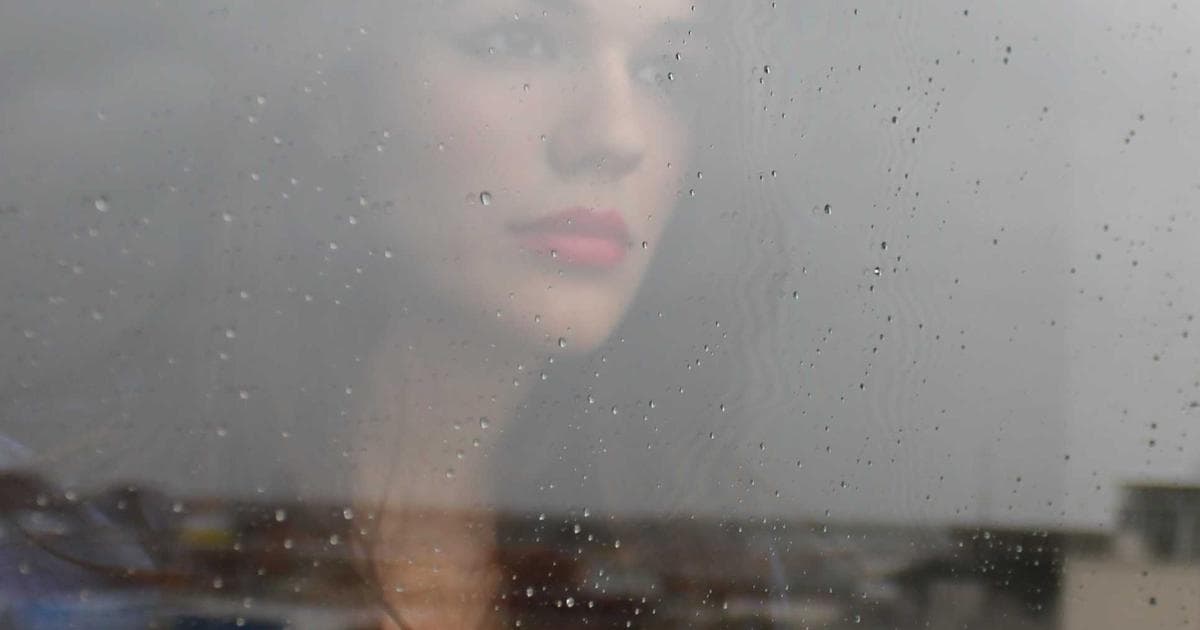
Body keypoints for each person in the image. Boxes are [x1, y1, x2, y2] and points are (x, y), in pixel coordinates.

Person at [0, 1, 724, 628]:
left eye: (666, 71)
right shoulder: (60, 543)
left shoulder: (715, 565)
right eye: (517, 41)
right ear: (339, 102)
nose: (615, 136)